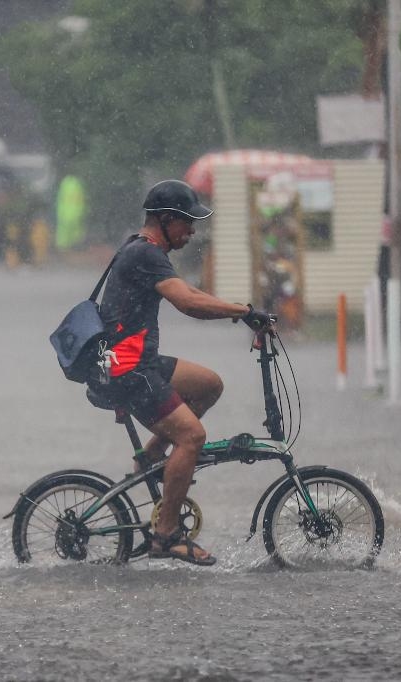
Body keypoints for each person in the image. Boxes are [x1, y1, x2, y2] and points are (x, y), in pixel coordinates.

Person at [93, 179, 272, 566]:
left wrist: (241, 310)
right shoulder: (146, 254)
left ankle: (151, 459)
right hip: (128, 369)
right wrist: (244, 312)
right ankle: (166, 535)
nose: (192, 231)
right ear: (167, 219)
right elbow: (188, 302)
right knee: (192, 436)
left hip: (135, 360)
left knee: (209, 385)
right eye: (188, 223)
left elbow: (193, 295)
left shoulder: (145, 249)